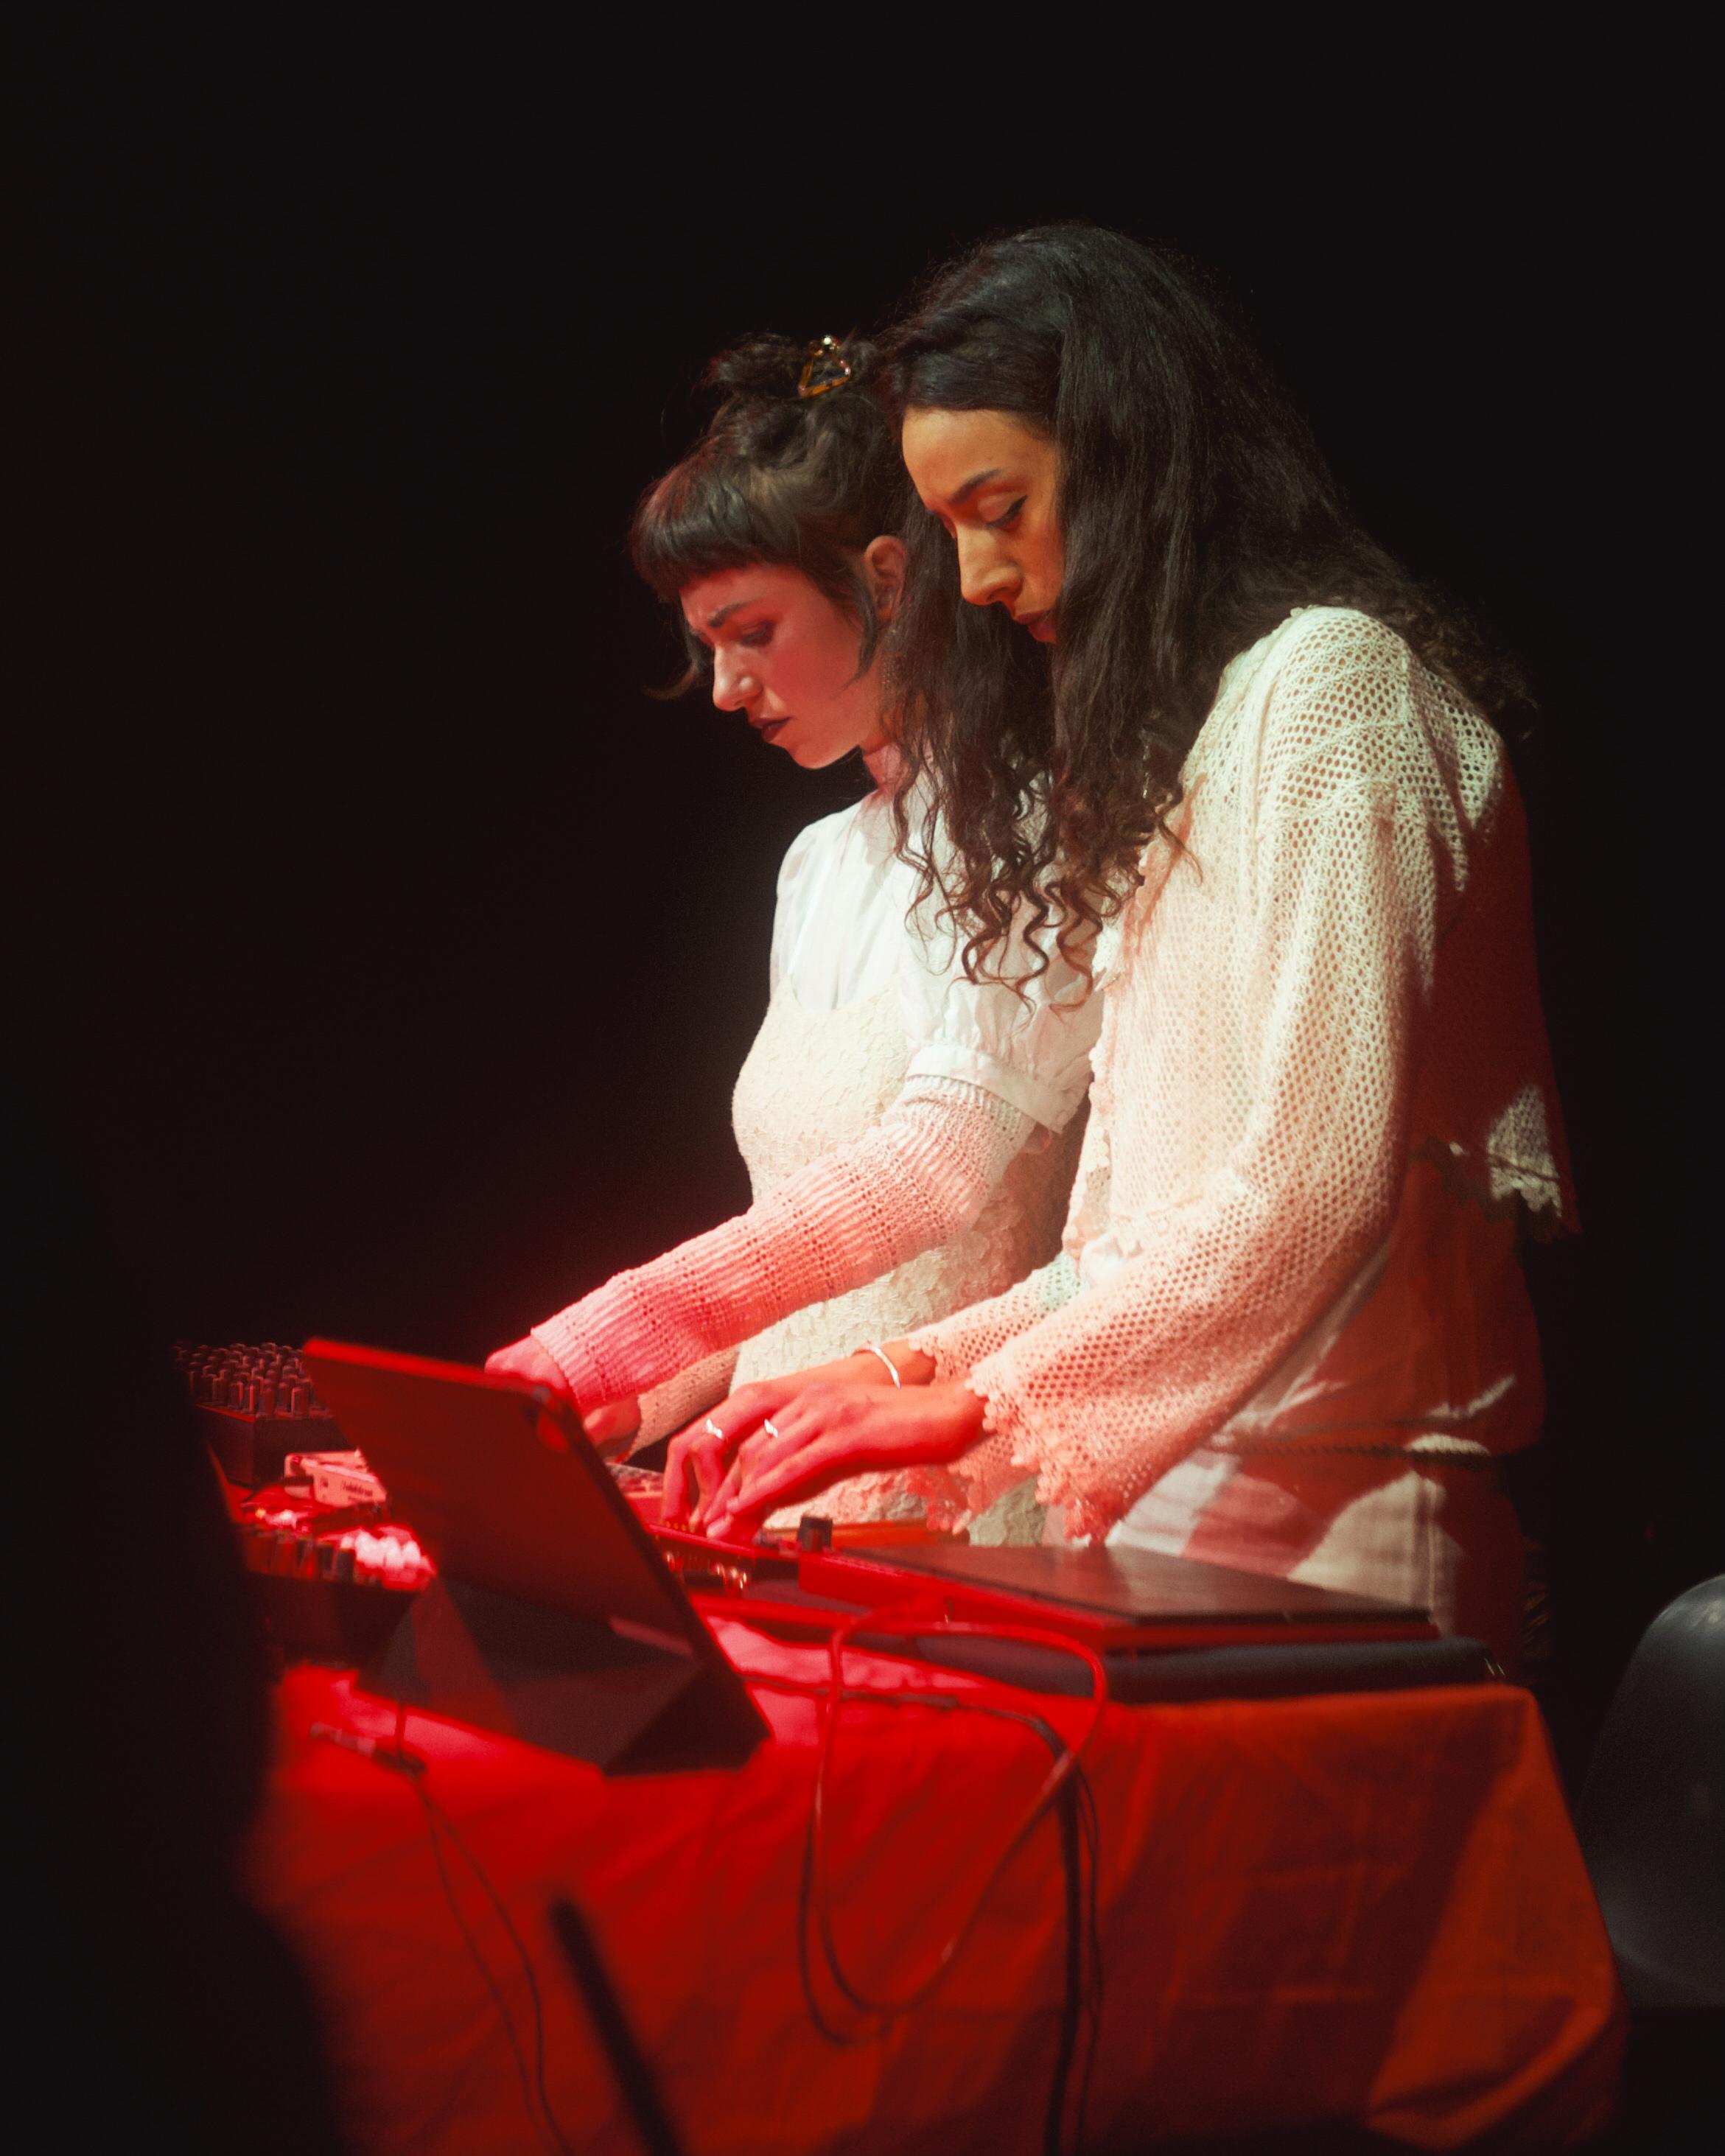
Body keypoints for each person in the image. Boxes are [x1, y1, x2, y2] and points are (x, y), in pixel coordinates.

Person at [694, 230, 1571, 1665]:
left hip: (1340, 1510)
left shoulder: (1331, 686)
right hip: (1170, 1492)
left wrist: (971, 1401)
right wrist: (901, 1365)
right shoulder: (1197, 739)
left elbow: (1309, 1188)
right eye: (950, 529)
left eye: (1000, 510)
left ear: (1134, 461)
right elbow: (1128, 1249)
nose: (979, 579)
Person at [488, 333, 1097, 1534]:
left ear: (886, 581)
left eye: (751, 631)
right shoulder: (816, 865)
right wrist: (652, 1391)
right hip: (766, 1492)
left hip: (943, 1513)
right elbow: (797, 1248)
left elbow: (932, 1172)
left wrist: (613, 1331)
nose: (724, 687)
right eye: (707, 644)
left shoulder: (1039, 829)